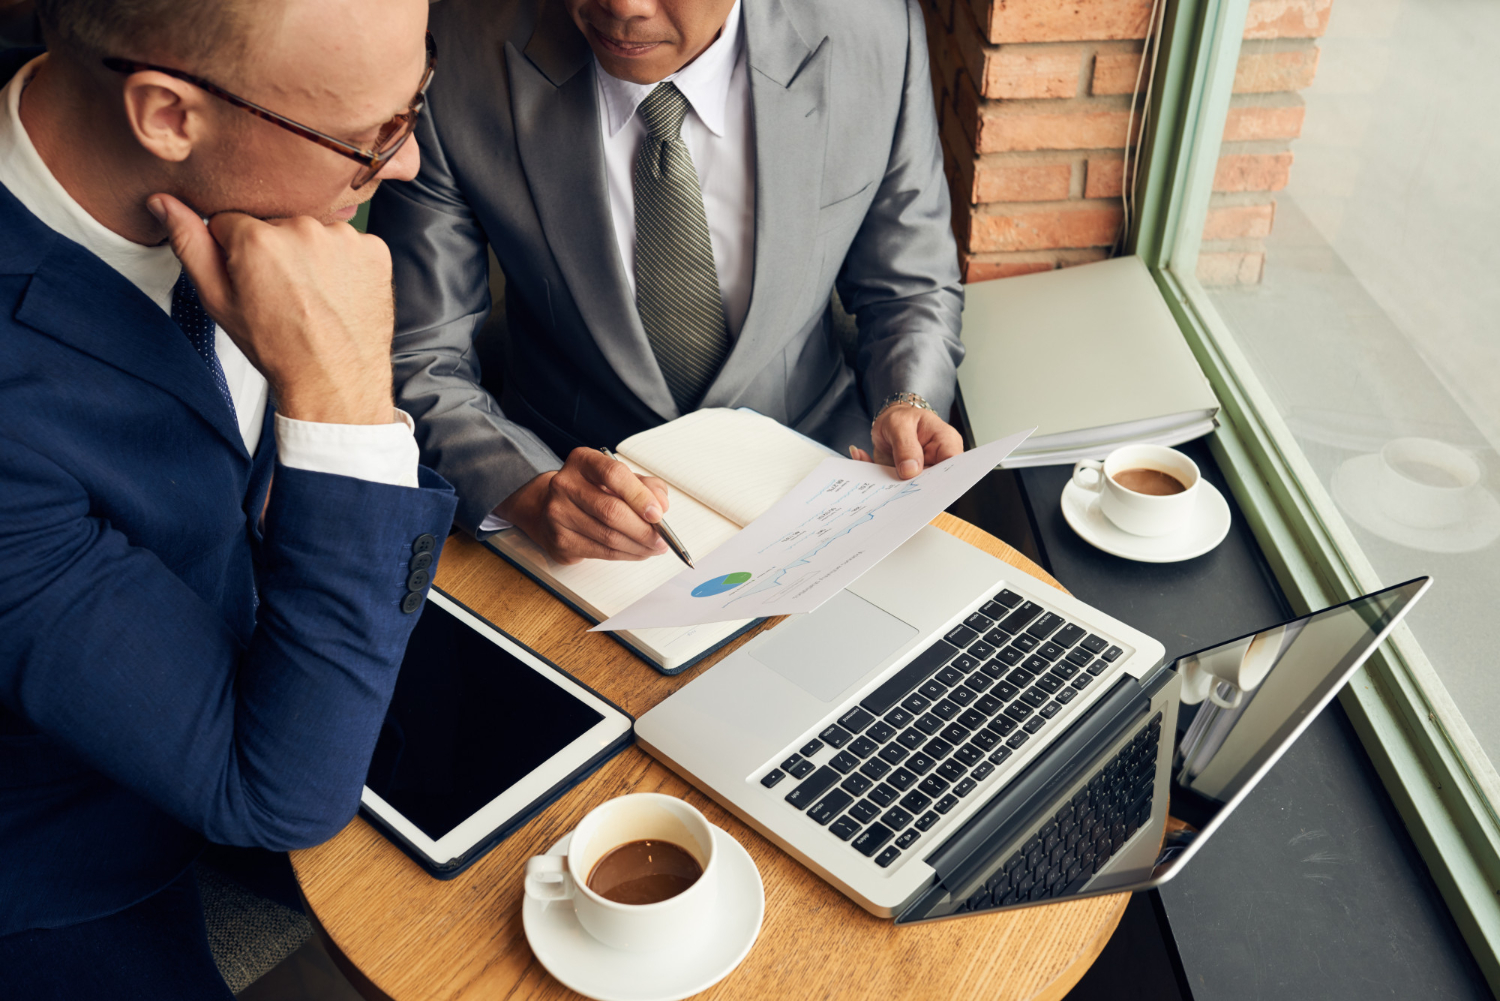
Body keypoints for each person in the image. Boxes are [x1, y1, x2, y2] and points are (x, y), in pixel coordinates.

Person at [0, 0, 457, 994]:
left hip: (292, 652)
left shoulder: (238, 161)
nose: (410, 166)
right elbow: (276, 792)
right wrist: (343, 402)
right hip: (67, 845)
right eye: (370, 138)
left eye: (416, 100)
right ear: (167, 114)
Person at [369, 0, 967, 565]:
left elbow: (912, 288)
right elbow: (417, 354)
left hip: (821, 482)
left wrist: (907, 399)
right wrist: (523, 487)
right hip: (570, 503)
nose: (624, 6)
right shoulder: (449, 53)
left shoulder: (878, 33)